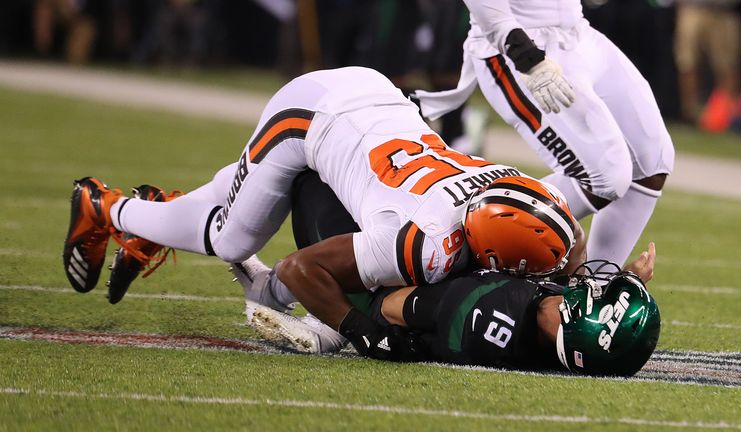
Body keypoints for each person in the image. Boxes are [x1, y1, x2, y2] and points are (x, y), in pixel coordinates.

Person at [62, 66, 584, 361]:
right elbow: (297, 269)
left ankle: (160, 212)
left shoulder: (512, 188)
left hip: (374, 99)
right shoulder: (426, 243)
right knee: (231, 239)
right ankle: (108, 207)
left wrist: (596, 281)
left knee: (242, 189)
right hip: (311, 115)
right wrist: (359, 328)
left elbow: (563, 237)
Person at [236, 170, 660, 376]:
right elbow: (573, 257)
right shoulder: (549, 323)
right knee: (554, 235)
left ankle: (313, 319)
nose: (594, 287)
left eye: (597, 299)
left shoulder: (490, 312)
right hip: (457, 289)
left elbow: (391, 306)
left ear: (581, 324)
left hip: (382, 297)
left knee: (313, 183)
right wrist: (629, 281)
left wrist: (348, 322)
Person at [412, 0, 675, 273]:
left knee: (651, 162)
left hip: (578, 32)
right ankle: (457, 240)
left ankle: (593, 288)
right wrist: (524, 54)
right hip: (519, 44)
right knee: (606, 176)